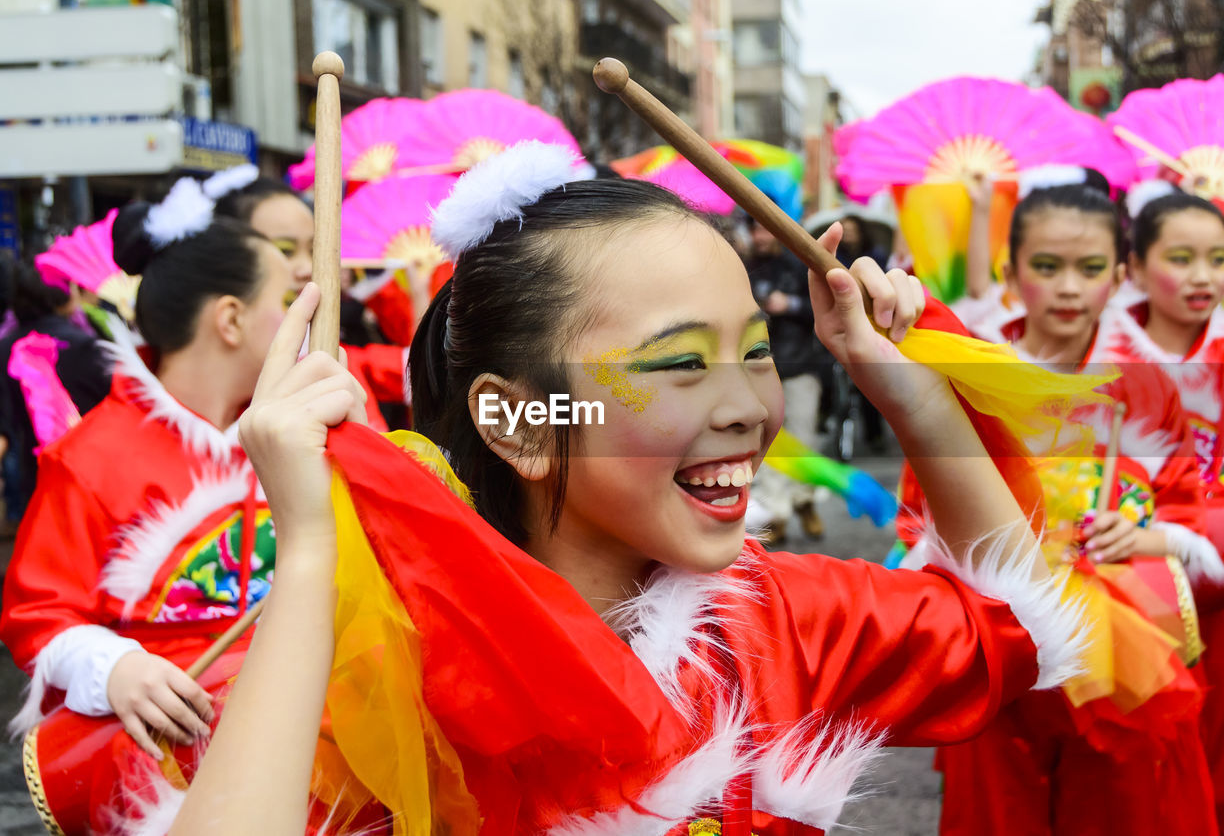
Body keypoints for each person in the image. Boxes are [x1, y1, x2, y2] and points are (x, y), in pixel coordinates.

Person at [165, 142, 1086, 835]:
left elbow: (1003, 628)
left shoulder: (782, 617)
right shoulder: (397, 664)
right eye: (679, 362)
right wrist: (315, 546)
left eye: (756, 354)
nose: (747, 408)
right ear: (518, 422)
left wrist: (916, 398)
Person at [901, 181, 1220, 835]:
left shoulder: (1151, 381)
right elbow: (919, 510)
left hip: (1123, 650)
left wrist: (1141, 533)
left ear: (1121, 274)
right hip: (1000, 635)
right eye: (1047, 267)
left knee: (1121, 809)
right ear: (1012, 273)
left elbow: (1185, 506)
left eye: (1091, 268)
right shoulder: (969, 371)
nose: (1070, 287)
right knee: (997, 814)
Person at [0, 178, 292, 768]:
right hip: (158, 765)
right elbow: (39, 615)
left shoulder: (298, 434)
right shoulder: (92, 455)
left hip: (304, 737)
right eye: (285, 302)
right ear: (230, 320)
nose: (299, 318)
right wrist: (115, 669)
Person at [1099, 189, 1224, 836]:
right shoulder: (1101, 368)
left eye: (1216, 257)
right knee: (1142, 789)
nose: (1203, 275)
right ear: (1136, 267)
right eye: (1181, 256)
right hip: (1133, 604)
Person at [212, 172, 420, 431]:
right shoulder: (216, 398)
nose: (307, 268)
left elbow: (421, 370)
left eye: (314, 250)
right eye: (284, 250)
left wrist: (420, 289)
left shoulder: (334, 356)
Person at [742, 216, 833, 542]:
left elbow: (823, 308)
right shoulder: (744, 266)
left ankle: (805, 503)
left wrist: (790, 304)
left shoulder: (798, 264)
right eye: (755, 229)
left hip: (800, 367)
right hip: (760, 368)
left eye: (765, 228)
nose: (760, 236)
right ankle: (774, 512)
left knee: (803, 438)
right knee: (765, 442)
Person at [0, 262, 111, 518]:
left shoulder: (6, 347)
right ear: (61, 295)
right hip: (92, 470)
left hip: (37, 477)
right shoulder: (88, 346)